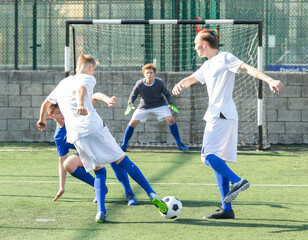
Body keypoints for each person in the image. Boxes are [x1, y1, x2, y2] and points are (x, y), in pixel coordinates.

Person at [37, 54, 168, 223]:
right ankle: (152, 194)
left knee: (99, 171)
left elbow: (45, 104)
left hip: (76, 135)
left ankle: (101, 212)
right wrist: (82, 105)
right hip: (94, 127)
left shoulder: (63, 83)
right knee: (123, 160)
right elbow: (81, 90)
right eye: (94, 69)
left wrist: (42, 120)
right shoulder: (88, 77)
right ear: (90, 68)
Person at [172, 29, 283, 219]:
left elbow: (248, 69)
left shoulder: (225, 58)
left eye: (196, 43)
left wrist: (270, 79)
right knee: (219, 161)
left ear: (205, 44)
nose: (194, 47)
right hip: (224, 116)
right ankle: (227, 209)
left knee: (206, 156)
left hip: (220, 115)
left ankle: (238, 181)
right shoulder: (207, 65)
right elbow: (192, 78)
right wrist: (180, 84)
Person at [48, 93, 137, 206]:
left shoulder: (74, 115)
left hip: (101, 142)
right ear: (51, 116)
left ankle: (129, 194)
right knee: (68, 164)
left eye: (62, 111)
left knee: (115, 162)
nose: (62, 115)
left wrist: (108, 100)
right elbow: (61, 160)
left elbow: (94, 96)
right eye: (58, 113)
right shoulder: (59, 137)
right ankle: (100, 188)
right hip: (88, 152)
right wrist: (61, 187)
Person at [122, 63, 188, 151]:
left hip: (160, 105)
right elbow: (133, 95)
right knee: (132, 123)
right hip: (144, 106)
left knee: (170, 119)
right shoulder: (139, 84)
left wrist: (171, 103)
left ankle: (179, 144)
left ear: (154, 74)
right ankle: (124, 146)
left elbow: (167, 93)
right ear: (144, 74)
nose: (149, 74)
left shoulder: (159, 82)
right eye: (147, 73)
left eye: (151, 73)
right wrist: (130, 104)